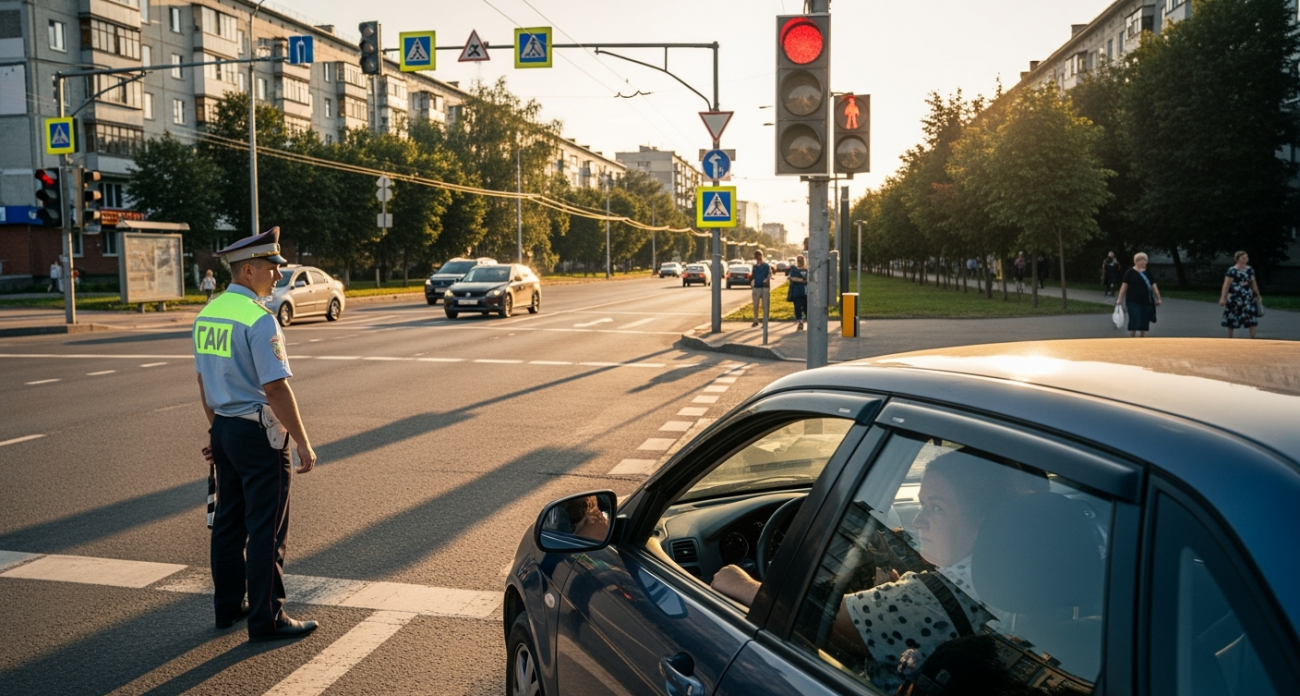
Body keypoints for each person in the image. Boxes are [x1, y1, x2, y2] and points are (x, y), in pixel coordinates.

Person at [710, 450, 1028, 690]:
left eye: (936, 507)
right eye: (921, 504)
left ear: (985, 524)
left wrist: (737, 579)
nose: (917, 521)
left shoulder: (926, 599)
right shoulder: (1020, 577)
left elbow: (807, 614)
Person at [194, 226, 319, 642]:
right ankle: (267, 618)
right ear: (248, 270)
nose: (278, 276)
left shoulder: (208, 313)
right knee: (266, 527)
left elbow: (202, 380)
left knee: (230, 524)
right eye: (272, 268)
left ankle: (228, 607)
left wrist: (217, 430)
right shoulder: (259, 319)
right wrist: (301, 439)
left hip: (226, 427)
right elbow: (276, 387)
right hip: (258, 432)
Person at [1115, 251, 1161, 338]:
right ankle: (1132, 336)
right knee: (1134, 317)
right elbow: (1124, 286)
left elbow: (1153, 286)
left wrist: (1158, 298)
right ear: (1136, 261)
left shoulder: (1148, 273)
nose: (1144, 262)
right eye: (1142, 260)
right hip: (1132, 300)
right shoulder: (1130, 272)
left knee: (1144, 319)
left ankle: (1142, 337)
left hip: (1146, 300)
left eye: (1145, 260)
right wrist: (1119, 298)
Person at [1219, 250, 1262, 339]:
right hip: (1234, 297)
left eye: (1246, 257)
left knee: (1250, 316)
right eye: (1242, 258)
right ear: (1237, 259)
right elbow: (1226, 284)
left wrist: (1257, 294)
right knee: (1232, 316)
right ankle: (1230, 338)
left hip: (1247, 298)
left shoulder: (1250, 270)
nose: (1245, 259)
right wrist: (1223, 298)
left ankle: (1253, 338)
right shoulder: (1232, 270)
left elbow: (1253, 282)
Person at [750, 250, 772, 328]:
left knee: (765, 305)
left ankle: (765, 322)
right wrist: (752, 282)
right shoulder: (755, 267)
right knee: (755, 305)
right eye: (756, 257)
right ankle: (755, 320)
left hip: (764, 288)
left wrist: (766, 279)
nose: (757, 258)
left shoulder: (766, 266)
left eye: (758, 256)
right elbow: (753, 275)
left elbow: (769, 274)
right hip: (756, 288)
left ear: (761, 256)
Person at [787, 255, 809, 331]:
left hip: (805, 292)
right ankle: (800, 322)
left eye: (801, 259)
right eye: (798, 259)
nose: (800, 261)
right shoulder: (794, 269)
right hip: (797, 291)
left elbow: (808, 279)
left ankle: (807, 320)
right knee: (797, 307)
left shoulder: (807, 269)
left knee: (806, 307)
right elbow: (791, 277)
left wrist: (798, 279)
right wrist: (803, 280)